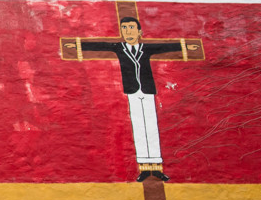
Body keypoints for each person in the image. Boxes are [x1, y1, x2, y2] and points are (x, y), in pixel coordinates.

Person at [65, 17, 198, 182]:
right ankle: (144, 167)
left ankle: (156, 167)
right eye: (125, 28)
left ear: (140, 32)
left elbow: (164, 47)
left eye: (131, 28)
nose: (128, 31)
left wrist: (185, 46)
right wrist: (77, 45)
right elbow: (99, 45)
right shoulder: (119, 48)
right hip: (132, 92)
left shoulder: (145, 48)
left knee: (151, 128)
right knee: (139, 128)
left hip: (148, 91)